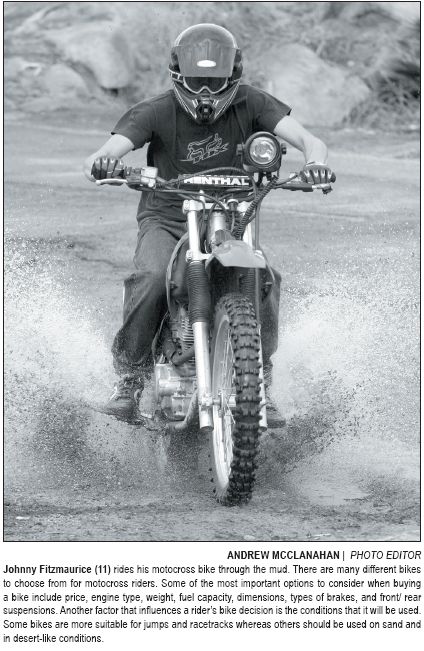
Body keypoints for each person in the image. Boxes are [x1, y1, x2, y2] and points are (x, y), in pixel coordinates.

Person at [83, 23, 333, 422]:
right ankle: (129, 379)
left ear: (233, 78)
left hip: (231, 218)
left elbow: (310, 142)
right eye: (196, 82)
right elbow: (104, 153)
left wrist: (315, 164)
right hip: (168, 219)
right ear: (177, 77)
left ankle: (259, 380)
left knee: (265, 278)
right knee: (151, 278)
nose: (205, 93)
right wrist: (104, 164)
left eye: (215, 84)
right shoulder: (155, 110)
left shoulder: (253, 102)